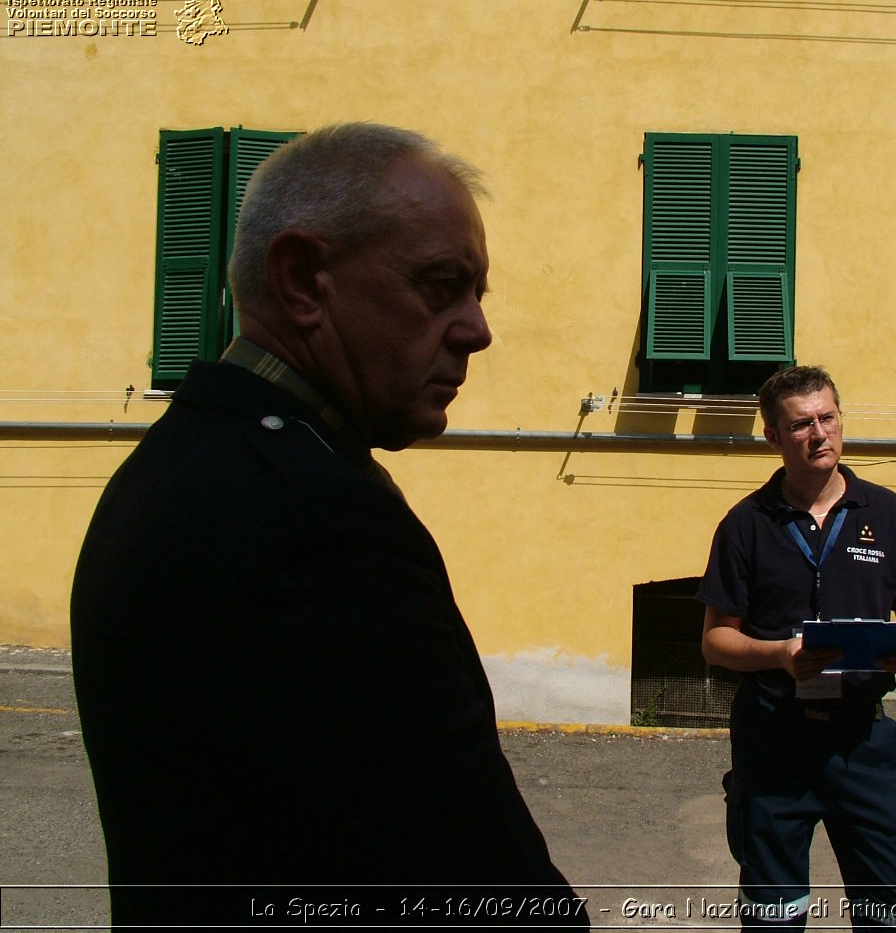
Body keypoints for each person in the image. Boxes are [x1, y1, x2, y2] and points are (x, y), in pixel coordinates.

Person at [70, 123, 585, 927]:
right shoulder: (315, 520)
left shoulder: (180, 461)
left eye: (478, 294)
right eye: (439, 285)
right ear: (304, 279)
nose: (477, 330)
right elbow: (473, 884)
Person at [698, 365, 896, 930]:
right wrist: (782, 654)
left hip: (863, 739)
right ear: (774, 438)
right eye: (801, 424)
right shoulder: (745, 525)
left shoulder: (886, 512)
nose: (819, 433)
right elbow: (715, 640)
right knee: (774, 918)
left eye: (827, 418)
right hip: (775, 737)